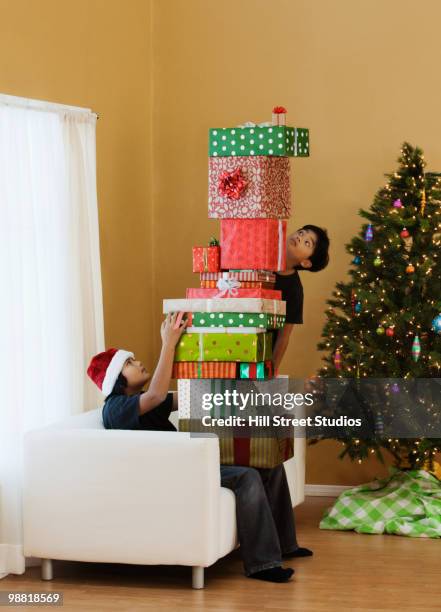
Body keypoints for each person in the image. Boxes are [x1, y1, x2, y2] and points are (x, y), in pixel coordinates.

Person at [87, 313, 311, 583]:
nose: (138, 363)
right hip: (172, 473)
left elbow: (189, 398)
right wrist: (169, 342)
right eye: (129, 363)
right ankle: (263, 565)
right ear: (115, 379)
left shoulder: (140, 402)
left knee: (270, 465)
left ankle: (286, 545)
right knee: (247, 476)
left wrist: (232, 371)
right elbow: (157, 394)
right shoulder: (116, 409)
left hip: (188, 464)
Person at [272, 224, 330, 372]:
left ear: (306, 262)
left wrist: (272, 370)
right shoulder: (259, 255)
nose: (299, 236)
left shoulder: (294, 290)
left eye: (307, 242)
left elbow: (283, 337)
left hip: (258, 354)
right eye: (301, 232)